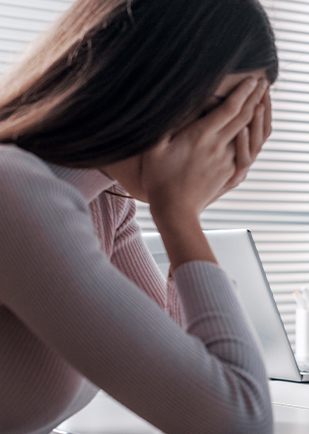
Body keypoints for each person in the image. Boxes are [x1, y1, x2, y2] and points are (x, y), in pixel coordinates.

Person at [0, 0, 278, 432]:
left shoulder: (105, 202)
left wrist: (184, 210)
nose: (233, 146)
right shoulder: (14, 189)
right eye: (223, 113)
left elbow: (182, 363)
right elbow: (235, 421)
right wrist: (179, 214)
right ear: (147, 79)